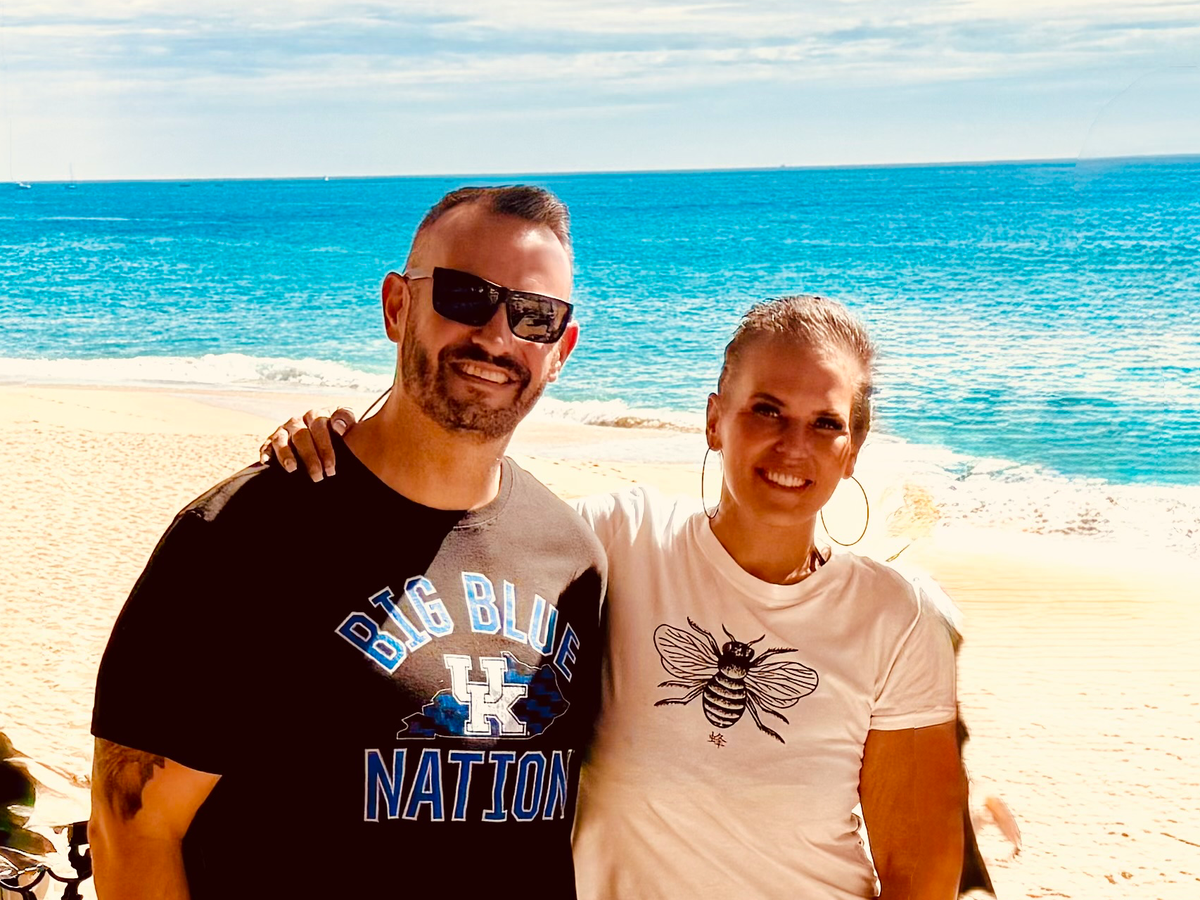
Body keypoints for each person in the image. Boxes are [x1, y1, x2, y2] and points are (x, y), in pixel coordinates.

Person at [267, 294, 967, 898]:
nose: (793, 446)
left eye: (826, 423)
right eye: (767, 410)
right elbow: (467, 518)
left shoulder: (895, 615)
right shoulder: (620, 538)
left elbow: (918, 872)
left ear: (853, 449)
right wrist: (350, 451)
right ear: (715, 420)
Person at [88, 185, 607, 899]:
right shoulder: (242, 537)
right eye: (464, 296)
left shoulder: (574, 558)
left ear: (561, 350)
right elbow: (132, 827)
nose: (495, 336)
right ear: (397, 307)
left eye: (534, 316)